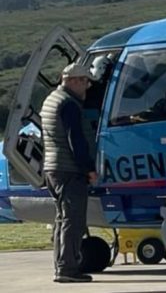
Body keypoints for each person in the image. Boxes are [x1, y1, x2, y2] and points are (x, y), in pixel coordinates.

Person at [41, 61, 99, 284]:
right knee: (73, 221)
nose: (87, 87)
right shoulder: (69, 105)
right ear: (73, 81)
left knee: (61, 219)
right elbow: (76, 140)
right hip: (68, 170)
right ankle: (68, 269)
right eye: (84, 81)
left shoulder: (51, 100)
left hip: (53, 168)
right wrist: (89, 169)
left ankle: (62, 266)